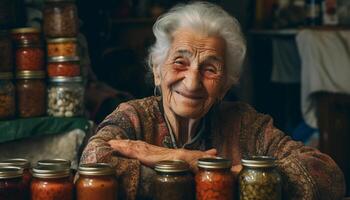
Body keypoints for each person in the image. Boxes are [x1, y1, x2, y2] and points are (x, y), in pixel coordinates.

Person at [80, 2, 346, 199]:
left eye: (210, 69)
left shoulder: (245, 123)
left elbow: (328, 175)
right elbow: (93, 162)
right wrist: (184, 161)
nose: (193, 82)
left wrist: (219, 174)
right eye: (180, 63)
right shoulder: (133, 116)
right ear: (157, 71)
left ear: (226, 84)